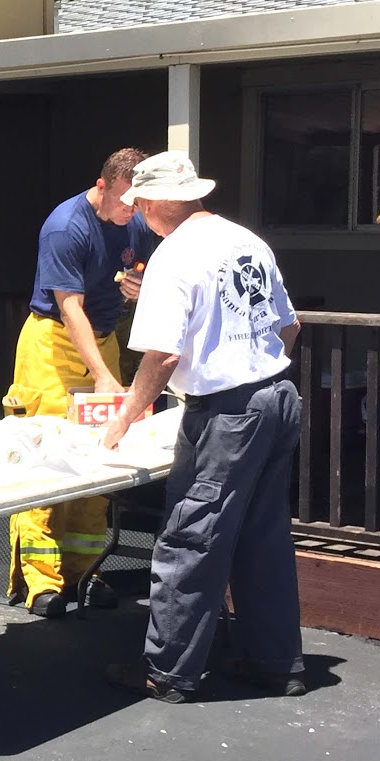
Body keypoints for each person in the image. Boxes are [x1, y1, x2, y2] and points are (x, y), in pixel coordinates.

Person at [102, 152, 305, 702]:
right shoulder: (245, 241)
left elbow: (163, 355)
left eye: (140, 203)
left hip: (228, 412)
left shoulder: (173, 256)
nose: (138, 212)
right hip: (277, 395)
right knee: (263, 537)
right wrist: (254, 366)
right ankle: (276, 664)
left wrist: (123, 418)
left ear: (155, 201)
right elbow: (289, 326)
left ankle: (168, 672)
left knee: (192, 536)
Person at [4, 146, 153, 618]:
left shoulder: (136, 220)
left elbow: (141, 269)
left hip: (102, 339)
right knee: (44, 456)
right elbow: (69, 309)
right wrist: (105, 376)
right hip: (51, 344)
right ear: (101, 184)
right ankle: (41, 581)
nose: (132, 210)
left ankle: (86, 570)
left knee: (99, 456)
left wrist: (137, 284)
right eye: (125, 200)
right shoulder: (66, 227)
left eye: (138, 202)